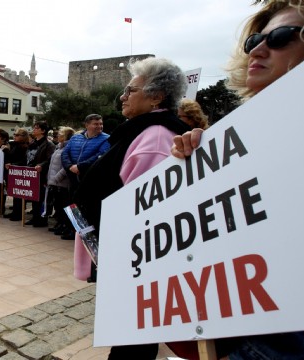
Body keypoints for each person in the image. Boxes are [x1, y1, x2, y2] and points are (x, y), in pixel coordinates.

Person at [170, 1, 304, 359]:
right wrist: (202, 169)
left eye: (280, 37)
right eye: (253, 41)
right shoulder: (266, 129)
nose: (258, 49)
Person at [71, 57, 190, 359]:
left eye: (129, 90)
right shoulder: (140, 131)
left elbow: (142, 214)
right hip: (126, 257)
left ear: (156, 96)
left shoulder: (154, 137)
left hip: (134, 262)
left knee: (132, 337)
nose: (122, 96)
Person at [61, 114, 110, 194]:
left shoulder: (107, 139)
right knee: (72, 204)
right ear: (87, 125)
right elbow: (65, 153)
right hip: (72, 177)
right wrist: (69, 167)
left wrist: (80, 167)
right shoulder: (75, 137)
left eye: (101, 124)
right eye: (96, 124)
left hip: (91, 179)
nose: (100, 126)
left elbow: (100, 155)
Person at [46, 126, 76, 239]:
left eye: (60, 134)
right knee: (58, 206)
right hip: (55, 182)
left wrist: (56, 178)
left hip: (63, 182)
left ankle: (67, 226)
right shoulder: (58, 148)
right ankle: (60, 224)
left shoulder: (69, 148)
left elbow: (65, 166)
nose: (57, 136)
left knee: (65, 206)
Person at [25, 121, 55, 227]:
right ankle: (35, 217)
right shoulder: (33, 143)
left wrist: (41, 165)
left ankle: (42, 220)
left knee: (42, 199)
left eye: (37, 128)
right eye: (34, 127)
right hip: (32, 174)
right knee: (34, 197)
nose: (34, 129)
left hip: (42, 175)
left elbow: (50, 159)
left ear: (43, 131)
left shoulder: (49, 144)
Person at [3, 128, 30, 221]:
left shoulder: (24, 147)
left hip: (20, 171)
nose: (15, 136)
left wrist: (6, 151)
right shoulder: (15, 145)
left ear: (23, 137)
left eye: (17, 135)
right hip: (14, 170)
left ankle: (18, 213)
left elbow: (21, 159)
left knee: (19, 194)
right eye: (14, 134)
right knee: (15, 193)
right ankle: (15, 211)